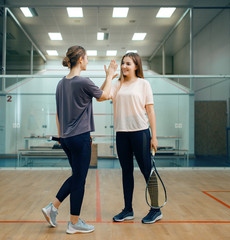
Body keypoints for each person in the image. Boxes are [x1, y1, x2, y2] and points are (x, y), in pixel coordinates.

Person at [42, 46, 118, 234]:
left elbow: (60, 113)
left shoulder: (61, 83)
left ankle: (53, 208)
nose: (88, 61)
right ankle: (74, 222)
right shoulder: (83, 81)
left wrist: (61, 137)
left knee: (77, 176)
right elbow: (105, 96)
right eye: (87, 58)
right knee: (79, 179)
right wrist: (109, 76)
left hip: (66, 139)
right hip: (80, 138)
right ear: (81, 59)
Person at [99, 52, 161, 224]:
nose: (124, 66)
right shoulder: (117, 84)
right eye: (123, 63)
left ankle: (156, 209)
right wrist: (109, 76)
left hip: (140, 133)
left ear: (136, 66)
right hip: (121, 134)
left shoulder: (144, 84)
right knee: (126, 172)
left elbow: (150, 111)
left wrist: (154, 137)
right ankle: (128, 210)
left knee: (146, 171)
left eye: (128, 63)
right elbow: (101, 96)